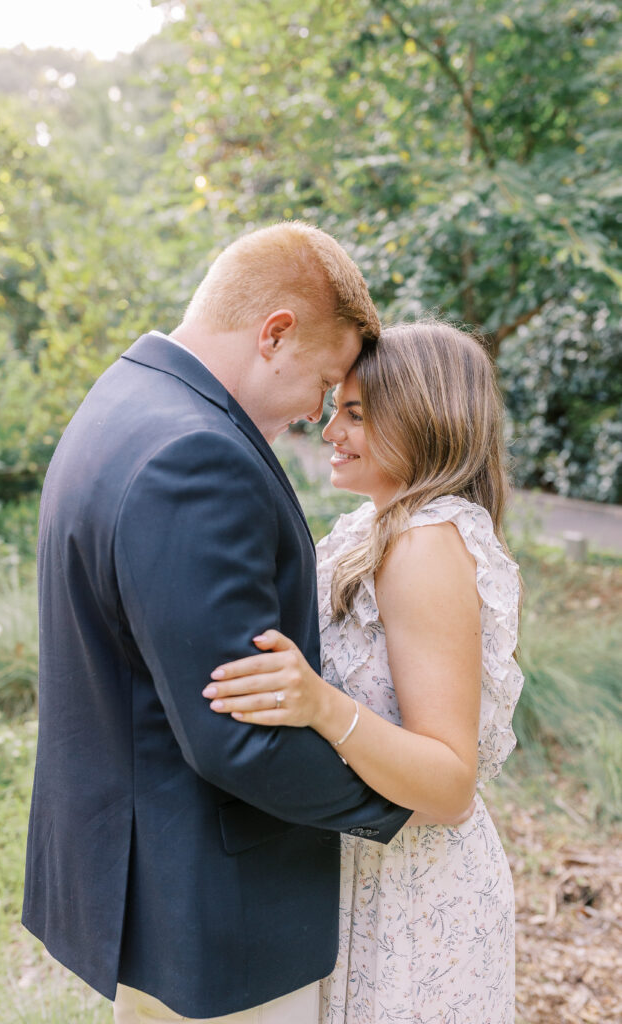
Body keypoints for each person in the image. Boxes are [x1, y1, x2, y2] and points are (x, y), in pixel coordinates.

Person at [22, 222, 416, 1024]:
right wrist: (406, 795)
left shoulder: (122, 398)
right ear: (275, 334)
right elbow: (241, 732)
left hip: (155, 887)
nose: (318, 412)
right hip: (220, 911)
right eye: (326, 379)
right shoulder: (195, 456)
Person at [204, 321, 524, 1023]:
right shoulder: (368, 527)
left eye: (354, 413)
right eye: (333, 409)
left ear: (423, 412)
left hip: (414, 896)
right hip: (354, 870)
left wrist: (320, 706)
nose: (329, 433)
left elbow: (448, 785)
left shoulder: (426, 546)